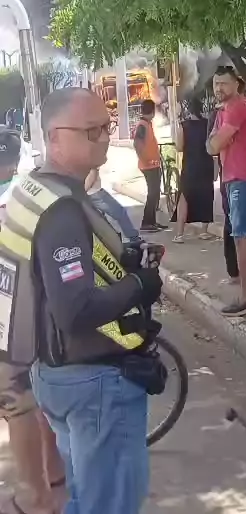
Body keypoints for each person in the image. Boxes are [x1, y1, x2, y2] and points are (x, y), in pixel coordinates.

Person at [1, 88, 165, 514]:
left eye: (106, 127)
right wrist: (140, 285)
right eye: (91, 131)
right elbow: (75, 310)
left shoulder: (33, 188)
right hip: (94, 383)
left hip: (55, 372)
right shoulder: (61, 211)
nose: (105, 137)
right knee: (109, 504)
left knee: (86, 496)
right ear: (55, 137)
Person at [0, 126, 66, 514]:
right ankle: (52, 471)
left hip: (12, 315)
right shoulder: (27, 191)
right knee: (31, 397)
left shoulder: (10, 199)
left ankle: (38, 498)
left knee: (16, 403)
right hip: (34, 311)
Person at [207, 66, 246, 315]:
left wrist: (217, 140)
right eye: (216, 83)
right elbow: (213, 143)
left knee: (242, 236)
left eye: (223, 83)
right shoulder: (226, 109)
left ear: (236, 84)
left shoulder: (237, 107)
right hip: (241, 177)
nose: (218, 88)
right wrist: (217, 140)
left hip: (243, 178)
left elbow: (213, 146)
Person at [171, 96, 215, 243]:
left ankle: (179, 234)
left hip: (190, 165)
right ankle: (204, 231)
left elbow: (179, 147)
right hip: (206, 164)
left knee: (184, 197)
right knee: (206, 195)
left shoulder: (184, 126)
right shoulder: (208, 124)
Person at [133, 99, 167, 232]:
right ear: (152, 111)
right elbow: (137, 144)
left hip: (152, 164)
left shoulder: (146, 124)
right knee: (153, 194)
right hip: (148, 165)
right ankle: (147, 223)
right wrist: (145, 160)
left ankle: (151, 221)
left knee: (155, 193)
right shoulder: (142, 125)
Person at [85, 168, 141, 242]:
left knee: (101, 219)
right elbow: (92, 174)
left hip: (92, 194)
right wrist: (82, 190)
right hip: (96, 194)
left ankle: (113, 240)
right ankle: (133, 238)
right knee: (121, 213)